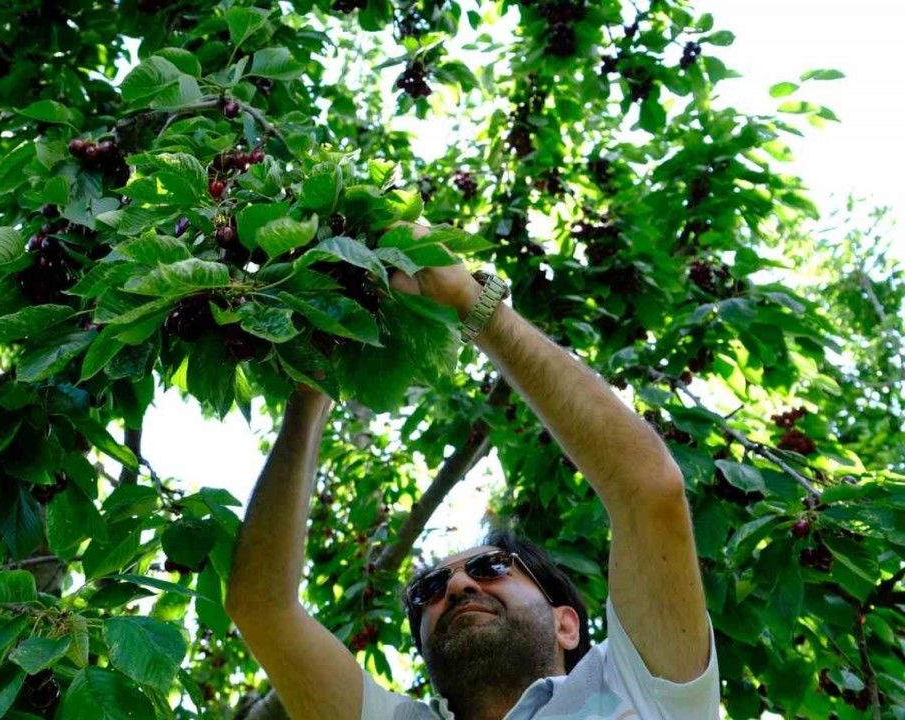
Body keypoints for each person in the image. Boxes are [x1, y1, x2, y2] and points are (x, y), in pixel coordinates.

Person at [223, 230, 721, 720]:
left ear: (565, 624)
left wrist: (472, 304)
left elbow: (648, 489)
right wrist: (312, 387)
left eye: (492, 568)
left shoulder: (637, 686)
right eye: (427, 593)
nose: (456, 587)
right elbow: (262, 608)